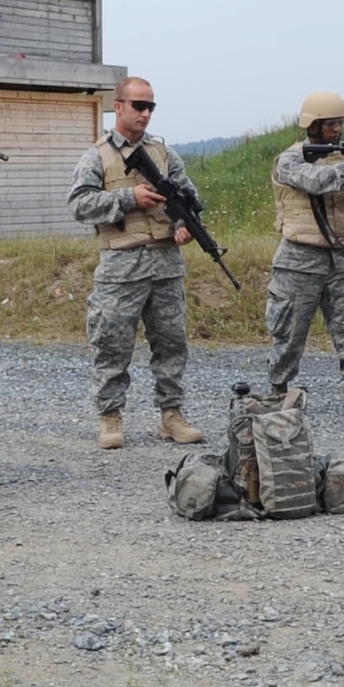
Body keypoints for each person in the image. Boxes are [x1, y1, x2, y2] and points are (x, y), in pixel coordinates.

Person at [65, 76, 206, 449]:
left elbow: (188, 198)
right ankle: (111, 417)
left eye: (150, 107)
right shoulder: (97, 156)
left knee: (172, 345)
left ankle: (172, 415)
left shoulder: (164, 154)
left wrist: (184, 225)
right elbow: (79, 204)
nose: (145, 113)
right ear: (119, 107)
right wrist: (128, 199)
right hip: (121, 267)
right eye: (138, 105)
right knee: (112, 344)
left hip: (165, 264)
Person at [267, 91, 344, 419]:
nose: (336, 130)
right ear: (312, 126)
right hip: (299, 258)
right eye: (330, 124)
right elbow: (315, 182)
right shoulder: (290, 158)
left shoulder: (342, 159)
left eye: (340, 123)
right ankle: (277, 392)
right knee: (289, 331)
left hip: (341, 256)